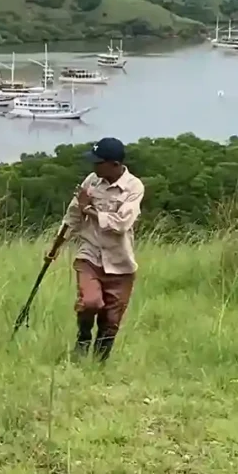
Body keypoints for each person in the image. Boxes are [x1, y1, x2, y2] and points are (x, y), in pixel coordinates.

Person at [47, 137, 145, 363]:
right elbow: (73, 215)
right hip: (90, 255)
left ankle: (98, 365)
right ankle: (82, 339)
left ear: (114, 164)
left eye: (98, 162)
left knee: (111, 319)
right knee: (90, 302)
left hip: (120, 262)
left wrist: (88, 209)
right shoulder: (92, 181)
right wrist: (55, 247)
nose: (93, 167)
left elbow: (121, 224)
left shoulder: (133, 187)